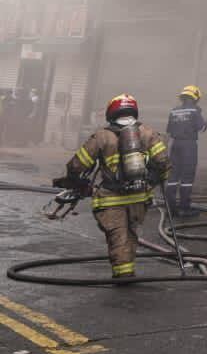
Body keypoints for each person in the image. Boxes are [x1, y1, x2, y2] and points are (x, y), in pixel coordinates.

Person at [54, 93, 169, 280]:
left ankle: (123, 276)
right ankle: (127, 271)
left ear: (112, 112)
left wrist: (75, 182)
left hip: (111, 198)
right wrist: (151, 182)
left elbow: (77, 165)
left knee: (118, 237)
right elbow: (164, 164)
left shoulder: (102, 136)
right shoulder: (148, 133)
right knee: (130, 235)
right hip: (140, 198)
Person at [165, 85, 207, 216]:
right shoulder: (195, 111)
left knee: (173, 175)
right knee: (187, 176)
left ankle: (170, 207)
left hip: (175, 145)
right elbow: (201, 128)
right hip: (188, 146)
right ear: (195, 97)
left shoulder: (174, 111)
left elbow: (169, 131)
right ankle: (184, 207)